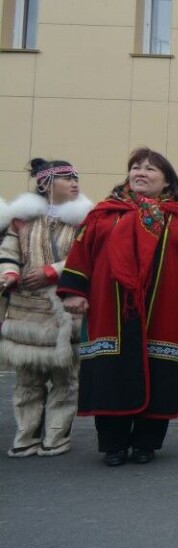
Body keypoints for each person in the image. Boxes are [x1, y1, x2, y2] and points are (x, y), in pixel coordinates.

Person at [58, 148, 178, 466]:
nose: (141, 173)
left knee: (159, 371)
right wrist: (74, 292)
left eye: (150, 169)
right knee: (110, 372)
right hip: (109, 310)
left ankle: (146, 443)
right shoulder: (103, 214)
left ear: (167, 180)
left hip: (163, 311)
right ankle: (113, 444)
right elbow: (81, 253)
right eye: (136, 168)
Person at [1, 158, 91, 457]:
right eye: (67, 178)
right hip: (27, 310)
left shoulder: (85, 222)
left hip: (66, 309)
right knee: (28, 381)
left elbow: (87, 256)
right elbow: (9, 252)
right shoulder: (21, 221)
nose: (75, 182)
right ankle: (25, 435)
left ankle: (55, 436)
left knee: (65, 381)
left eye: (76, 177)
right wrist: (10, 274)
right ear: (45, 184)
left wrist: (53, 271)